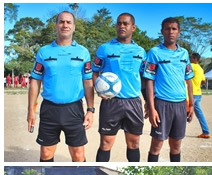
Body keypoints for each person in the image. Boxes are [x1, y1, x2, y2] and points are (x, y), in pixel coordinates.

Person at [27, 11, 94, 162]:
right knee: (46, 153)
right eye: (61, 22)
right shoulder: (44, 52)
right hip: (50, 109)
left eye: (69, 22)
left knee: (78, 154)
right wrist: (31, 110)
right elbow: (35, 81)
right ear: (56, 25)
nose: (65, 25)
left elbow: (88, 82)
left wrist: (90, 110)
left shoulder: (83, 52)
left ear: (74, 27)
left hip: (74, 109)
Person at [92, 13, 146, 162]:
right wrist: (98, 88)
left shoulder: (141, 52)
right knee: (105, 143)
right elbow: (94, 71)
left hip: (133, 102)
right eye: (119, 23)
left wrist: (148, 102)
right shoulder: (104, 49)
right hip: (111, 102)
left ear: (133, 27)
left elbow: (145, 78)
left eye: (126, 24)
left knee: (134, 143)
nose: (122, 26)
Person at [142, 17, 194, 162]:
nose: (170, 32)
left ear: (179, 32)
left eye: (174, 29)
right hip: (162, 104)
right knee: (156, 145)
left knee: (176, 146)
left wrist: (192, 104)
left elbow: (189, 81)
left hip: (180, 105)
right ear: (162, 31)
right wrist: (152, 108)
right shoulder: (154, 52)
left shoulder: (184, 54)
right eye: (167, 28)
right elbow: (149, 81)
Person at [190, 52, 210, 139]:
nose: (189, 59)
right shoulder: (200, 69)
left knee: (182, 111)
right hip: (198, 93)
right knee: (199, 114)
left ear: (194, 58)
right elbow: (203, 81)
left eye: (191, 57)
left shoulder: (191, 65)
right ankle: (206, 132)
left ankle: (176, 132)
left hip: (191, 94)